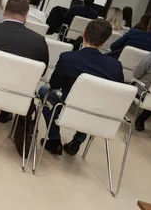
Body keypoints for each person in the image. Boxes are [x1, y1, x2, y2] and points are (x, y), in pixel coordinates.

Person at [40, 19, 124, 155]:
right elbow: (117, 95)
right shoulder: (115, 66)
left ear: (83, 33)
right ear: (105, 42)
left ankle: (54, 140)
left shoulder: (68, 58)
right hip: (97, 113)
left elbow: (54, 84)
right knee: (92, 101)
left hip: (69, 107)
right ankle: (77, 141)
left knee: (44, 91)